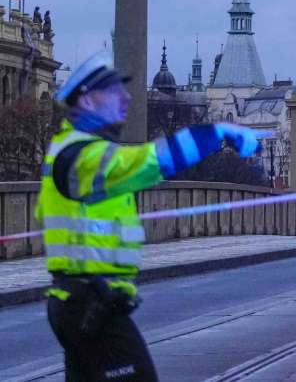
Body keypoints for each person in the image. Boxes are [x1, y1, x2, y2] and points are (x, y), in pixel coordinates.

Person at [37, 51, 265, 381]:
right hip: (91, 304)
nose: (127, 98)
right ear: (86, 102)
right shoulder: (82, 158)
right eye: (114, 92)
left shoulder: (72, 149)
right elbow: (151, 161)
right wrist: (216, 135)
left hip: (82, 303)